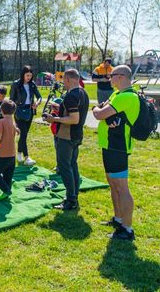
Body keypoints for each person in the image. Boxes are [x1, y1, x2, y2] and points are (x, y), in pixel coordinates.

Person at [92, 65, 139, 241]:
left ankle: (127, 229)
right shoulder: (117, 94)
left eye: (111, 75)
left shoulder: (127, 96)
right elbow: (101, 109)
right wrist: (101, 111)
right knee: (113, 184)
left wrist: (99, 111)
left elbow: (99, 113)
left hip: (118, 147)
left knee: (122, 188)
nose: (109, 78)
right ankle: (118, 219)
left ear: (121, 77)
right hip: (109, 146)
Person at [43, 69, 89, 210]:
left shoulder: (71, 96)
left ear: (68, 79)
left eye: (64, 80)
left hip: (67, 135)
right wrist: (60, 107)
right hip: (76, 135)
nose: (63, 83)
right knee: (72, 165)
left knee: (64, 167)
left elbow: (74, 119)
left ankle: (71, 200)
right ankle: (74, 195)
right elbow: (73, 112)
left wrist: (54, 119)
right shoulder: (83, 92)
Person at [9, 65, 42, 166]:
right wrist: (13, 110)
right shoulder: (16, 84)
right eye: (27, 75)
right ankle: (27, 157)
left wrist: (37, 103)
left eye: (30, 76)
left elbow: (39, 97)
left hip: (29, 112)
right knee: (23, 134)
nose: (29, 77)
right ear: (23, 74)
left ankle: (19, 153)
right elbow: (11, 99)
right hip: (19, 111)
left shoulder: (32, 85)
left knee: (24, 135)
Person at [0, 99, 19, 200]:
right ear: (13, 111)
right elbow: (16, 131)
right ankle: (6, 192)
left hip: (3, 154)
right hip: (12, 154)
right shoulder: (13, 122)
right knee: (8, 175)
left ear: (1, 110)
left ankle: (6, 190)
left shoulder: (1, 122)